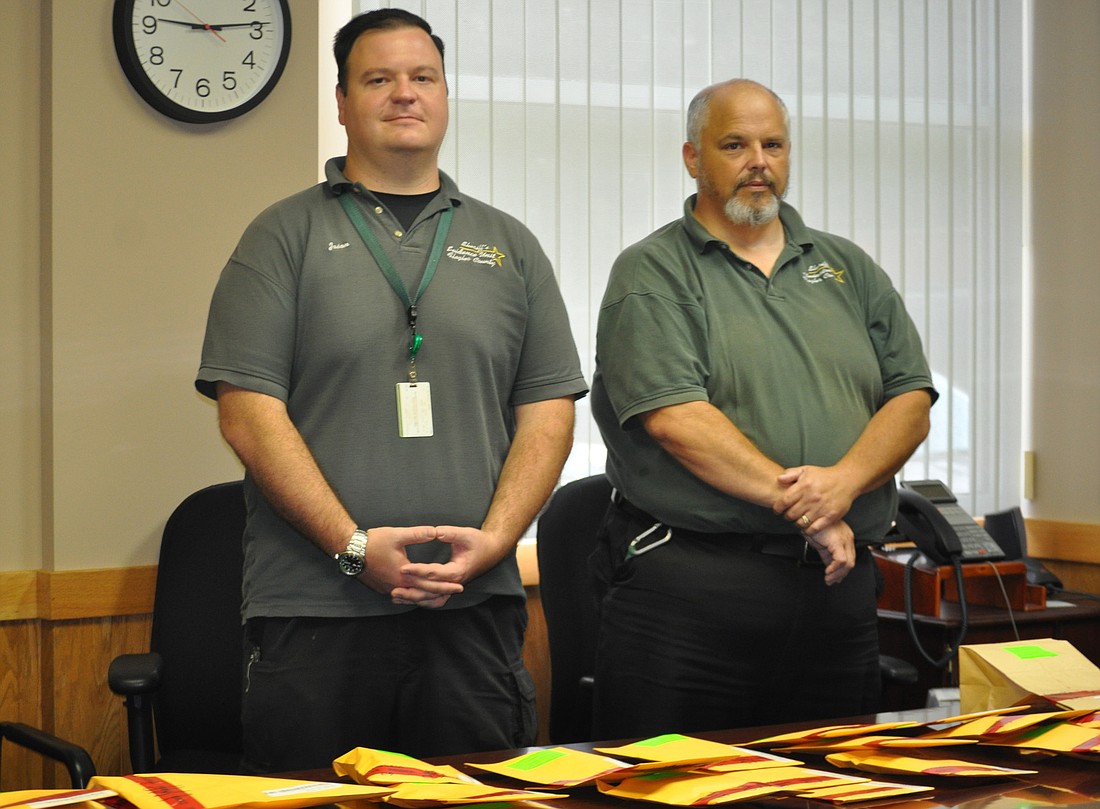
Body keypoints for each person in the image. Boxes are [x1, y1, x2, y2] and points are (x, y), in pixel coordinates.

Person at [196, 8, 586, 772]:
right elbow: (248, 415)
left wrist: (499, 541)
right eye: (378, 79)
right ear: (341, 102)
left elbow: (548, 412)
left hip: (474, 610)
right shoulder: (282, 237)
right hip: (316, 615)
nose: (404, 94)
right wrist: (352, 547)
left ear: (445, 97)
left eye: (423, 78)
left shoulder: (510, 245)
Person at [589, 78, 937, 739]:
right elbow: (678, 420)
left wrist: (840, 486)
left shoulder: (846, 267)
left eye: (773, 143)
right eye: (734, 144)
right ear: (694, 158)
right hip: (694, 598)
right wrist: (811, 506)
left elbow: (911, 396)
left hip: (836, 596)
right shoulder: (653, 272)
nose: (758, 160)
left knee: (838, 783)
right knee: (674, 789)